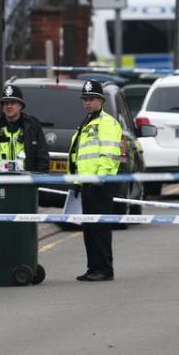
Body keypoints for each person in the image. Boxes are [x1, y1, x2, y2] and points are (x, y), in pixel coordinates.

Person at [68, 80, 123, 282]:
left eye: (91, 99)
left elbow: (109, 154)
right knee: (90, 230)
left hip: (100, 184)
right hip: (87, 184)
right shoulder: (88, 122)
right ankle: (93, 267)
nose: (87, 103)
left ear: (101, 100)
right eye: (85, 99)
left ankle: (104, 269)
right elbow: (79, 155)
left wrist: (99, 179)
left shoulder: (107, 123)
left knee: (99, 230)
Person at [0, 84, 50, 173]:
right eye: (6, 103)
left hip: (25, 182)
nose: (9, 106)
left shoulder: (32, 127)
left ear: (20, 106)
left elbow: (42, 157)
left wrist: (37, 181)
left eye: (13, 103)